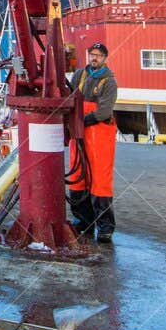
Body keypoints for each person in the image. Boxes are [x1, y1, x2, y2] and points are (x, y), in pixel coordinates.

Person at [67, 41, 117, 242]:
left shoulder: (109, 82)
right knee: (78, 176)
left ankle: (105, 227)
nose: (94, 58)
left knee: (100, 181)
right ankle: (84, 221)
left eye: (98, 55)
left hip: (99, 133)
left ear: (105, 58)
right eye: (92, 54)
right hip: (79, 133)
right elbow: (69, 96)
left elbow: (104, 111)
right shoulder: (79, 75)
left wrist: (81, 120)